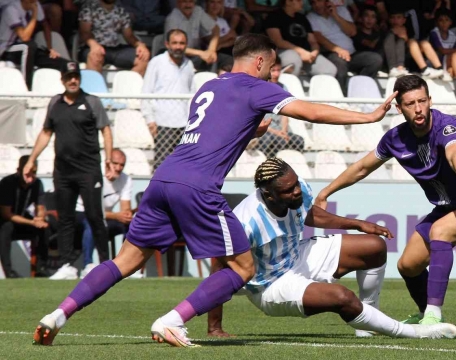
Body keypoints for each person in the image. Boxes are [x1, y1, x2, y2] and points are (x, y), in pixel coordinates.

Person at [32, 33, 398, 347]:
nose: (273, 75)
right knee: (242, 267)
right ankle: (173, 320)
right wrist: (367, 116)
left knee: (124, 261)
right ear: (258, 62)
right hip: (197, 186)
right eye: (271, 68)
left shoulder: (208, 86)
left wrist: (250, 130)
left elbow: (216, 131)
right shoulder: (257, 86)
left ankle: (58, 314)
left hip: (163, 178)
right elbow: (311, 113)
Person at [316, 75, 456, 327]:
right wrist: (325, 193)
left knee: (440, 231)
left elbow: (455, 155)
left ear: (430, 100)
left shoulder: (449, 127)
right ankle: (423, 312)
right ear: (399, 108)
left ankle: (433, 314)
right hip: (447, 207)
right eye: (410, 104)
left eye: (422, 101)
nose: (418, 108)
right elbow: (362, 167)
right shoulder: (395, 139)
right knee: (408, 265)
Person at [213, 158, 456, 339]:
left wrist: (356, 224)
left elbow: (309, 214)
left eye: (296, 183)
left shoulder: (297, 189)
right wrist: (215, 327)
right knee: (342, 297)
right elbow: (218, 266)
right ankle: (412, 332)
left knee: (374, 247)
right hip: (271, 285)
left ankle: (367, 323)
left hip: (296, 255)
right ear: (268, 194)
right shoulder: (246, 221)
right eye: (288, 190)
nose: (296, 190)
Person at [24, 63, 114, 281]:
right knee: (65, 218)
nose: (73, 81)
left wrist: (109, 158)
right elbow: (46, 133)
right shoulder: (55, 102)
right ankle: (67, 266)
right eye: (69, 77)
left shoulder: (92, 101)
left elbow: (106, 130)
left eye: (76, 77)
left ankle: (107, 265)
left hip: (88, 170)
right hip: (63, 171)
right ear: (62, 79)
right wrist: (31, 159)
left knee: (94, 216)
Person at [141, 29, 195, 170]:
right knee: (161, 168)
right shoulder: (156, 63)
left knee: (185, 167)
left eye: (182, 43)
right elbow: (146, 93)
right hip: (162, 123)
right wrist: (150, 120)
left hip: (184, 125)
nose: (178, 46)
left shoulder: (188, 65)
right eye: (175, 43)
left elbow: (192, 94)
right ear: (167, 44)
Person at [76, 149, 133, 278]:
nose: (118, 168)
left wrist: (126, 216)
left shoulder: (126, 179)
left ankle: (126, 265)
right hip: (82, 213)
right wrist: (117, 215)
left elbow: (125, 209)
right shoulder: (95, 175)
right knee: (92, 223)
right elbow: (92, 210)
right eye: (115, 163)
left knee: (131, 225)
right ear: (108, 162)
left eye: (122, 165)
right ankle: (88, 265)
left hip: (106, 216)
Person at [307, 0, 383, 91]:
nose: (316, 5)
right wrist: (338, 50)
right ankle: (341, 99)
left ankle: (358, 90)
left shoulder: (341, 11)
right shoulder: (310, 17)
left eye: (318, 1)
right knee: (340, 63)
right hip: (331, 53)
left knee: (375, 59)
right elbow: (319, 38)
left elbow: (352, 32)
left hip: (351, 54)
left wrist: (335, 16)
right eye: (313, 3)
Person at [0, 0, 75, 89]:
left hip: (27, 49)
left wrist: (50, 48)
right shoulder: (11, 9)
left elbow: (45, 25)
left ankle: (70, 91)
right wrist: (34, 15)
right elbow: (25, 37)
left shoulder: (35, 5)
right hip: (7, 49)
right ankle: (27, 86)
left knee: (68, 64)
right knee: (30, 46)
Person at [0, 156, 50, 279]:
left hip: (23, 221)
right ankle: (9, 272)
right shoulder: (7, 182)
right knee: (6, 228)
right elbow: (6, 214)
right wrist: (32, 222)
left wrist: (40, 219)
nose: (30, 177)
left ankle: (41, 269)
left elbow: (40, 207)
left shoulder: (37, 184)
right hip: (4, 222)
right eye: (27, 173)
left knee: (44, 228)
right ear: (19, 171)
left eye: (33, 173)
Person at [264, 0, 337, 78]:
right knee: (294, 59)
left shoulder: (302, 18)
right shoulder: (274, 16)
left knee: (330, 70)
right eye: (298, 0)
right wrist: (301, 52)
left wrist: (314, 53)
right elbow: (278, 41)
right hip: (283, 52)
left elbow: (312, 41)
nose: (302, 3)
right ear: (288, 2)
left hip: (307, 54)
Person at [78, 0, 150, 76]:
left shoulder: (120, 9)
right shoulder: (89, 7)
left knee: (143, 57)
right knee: (95, 56)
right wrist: (94, 45)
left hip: (115, 49)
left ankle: (126, 86)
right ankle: (95, 86)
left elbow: (129, 36)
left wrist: (140, 45)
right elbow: (84, 32)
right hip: (93, 47)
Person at [255, 62, 305, 157]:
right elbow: (259, 121)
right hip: (267, 131)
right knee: (268, 140)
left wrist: (283, 131)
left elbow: (285, 114)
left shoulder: (283, 88)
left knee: (299, 140)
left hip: (281, 131)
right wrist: (277, 133)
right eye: (273, 71)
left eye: (278, 70)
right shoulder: (260, 89)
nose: (277, 74)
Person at [164, 0, 221, 71]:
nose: (188, 5)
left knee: (216, 58)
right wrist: (201, 53)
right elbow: (174, 47)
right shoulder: (172, 19)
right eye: (184, 2)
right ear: (178, 3)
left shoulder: (198, 11)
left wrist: (211, 49)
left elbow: (216, 29)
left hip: (197, 54)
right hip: (178, 56)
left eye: (191, 1)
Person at [387, 9, 444, 79]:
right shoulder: (386, 29)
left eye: (398, 17)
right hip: (394, 63)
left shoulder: (407, 29)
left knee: (424, 43)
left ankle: (440, 70)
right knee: (411, 42)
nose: (395, 20)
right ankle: (424, 70)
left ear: (404, 20)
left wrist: (404, 36)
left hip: (409, 56)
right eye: (393, 18)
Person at [205, 0, 237, 67]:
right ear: (207, 4)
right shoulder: (202, 20)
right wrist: (228, 36)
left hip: (226, 49)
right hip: (212, 54)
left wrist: (221, 44)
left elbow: (233, 38)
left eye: (219, 2)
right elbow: (209, 41)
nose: (215, 5)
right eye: (212, 2)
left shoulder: (222, 21)